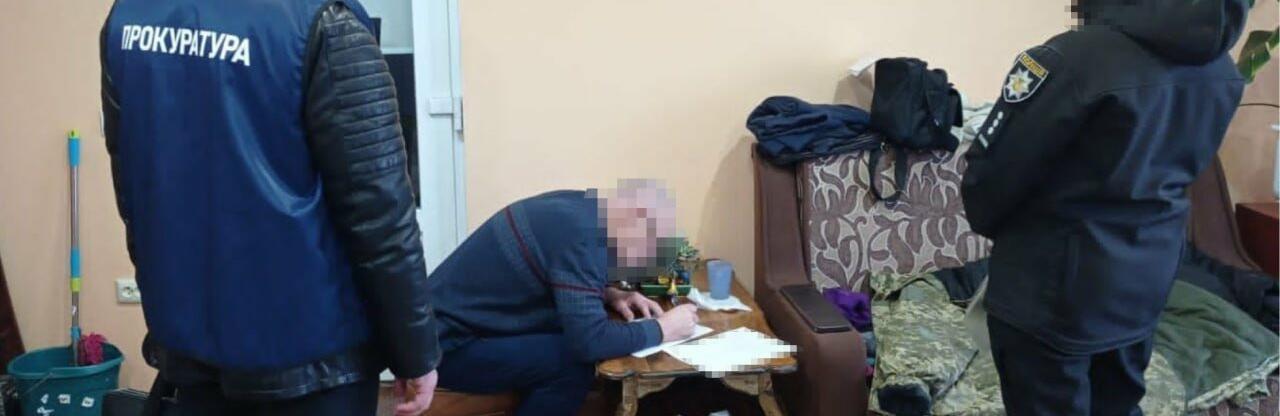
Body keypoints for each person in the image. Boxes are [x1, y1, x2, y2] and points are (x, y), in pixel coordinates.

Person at [100, 1, 439, 414]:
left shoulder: (129, 18)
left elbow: (132, 192)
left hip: (190, 349)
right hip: (315, 362)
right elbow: (378, 209)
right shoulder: (322, 20)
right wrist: (415, 351)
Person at [960, 0, 1248, 414]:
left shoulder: (1070, 61)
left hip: (1051, 294)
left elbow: (988, 186)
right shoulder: (1222, 70)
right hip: (1143, 284)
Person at [426, 180, 702, 415]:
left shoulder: (584, 208)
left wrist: (611, 294)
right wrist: (662, 328)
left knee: (571, 336)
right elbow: (590, 341)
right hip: (445, 347)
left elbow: (561, 270)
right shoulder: (582, 241)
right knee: (572, 363)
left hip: (447, 326)